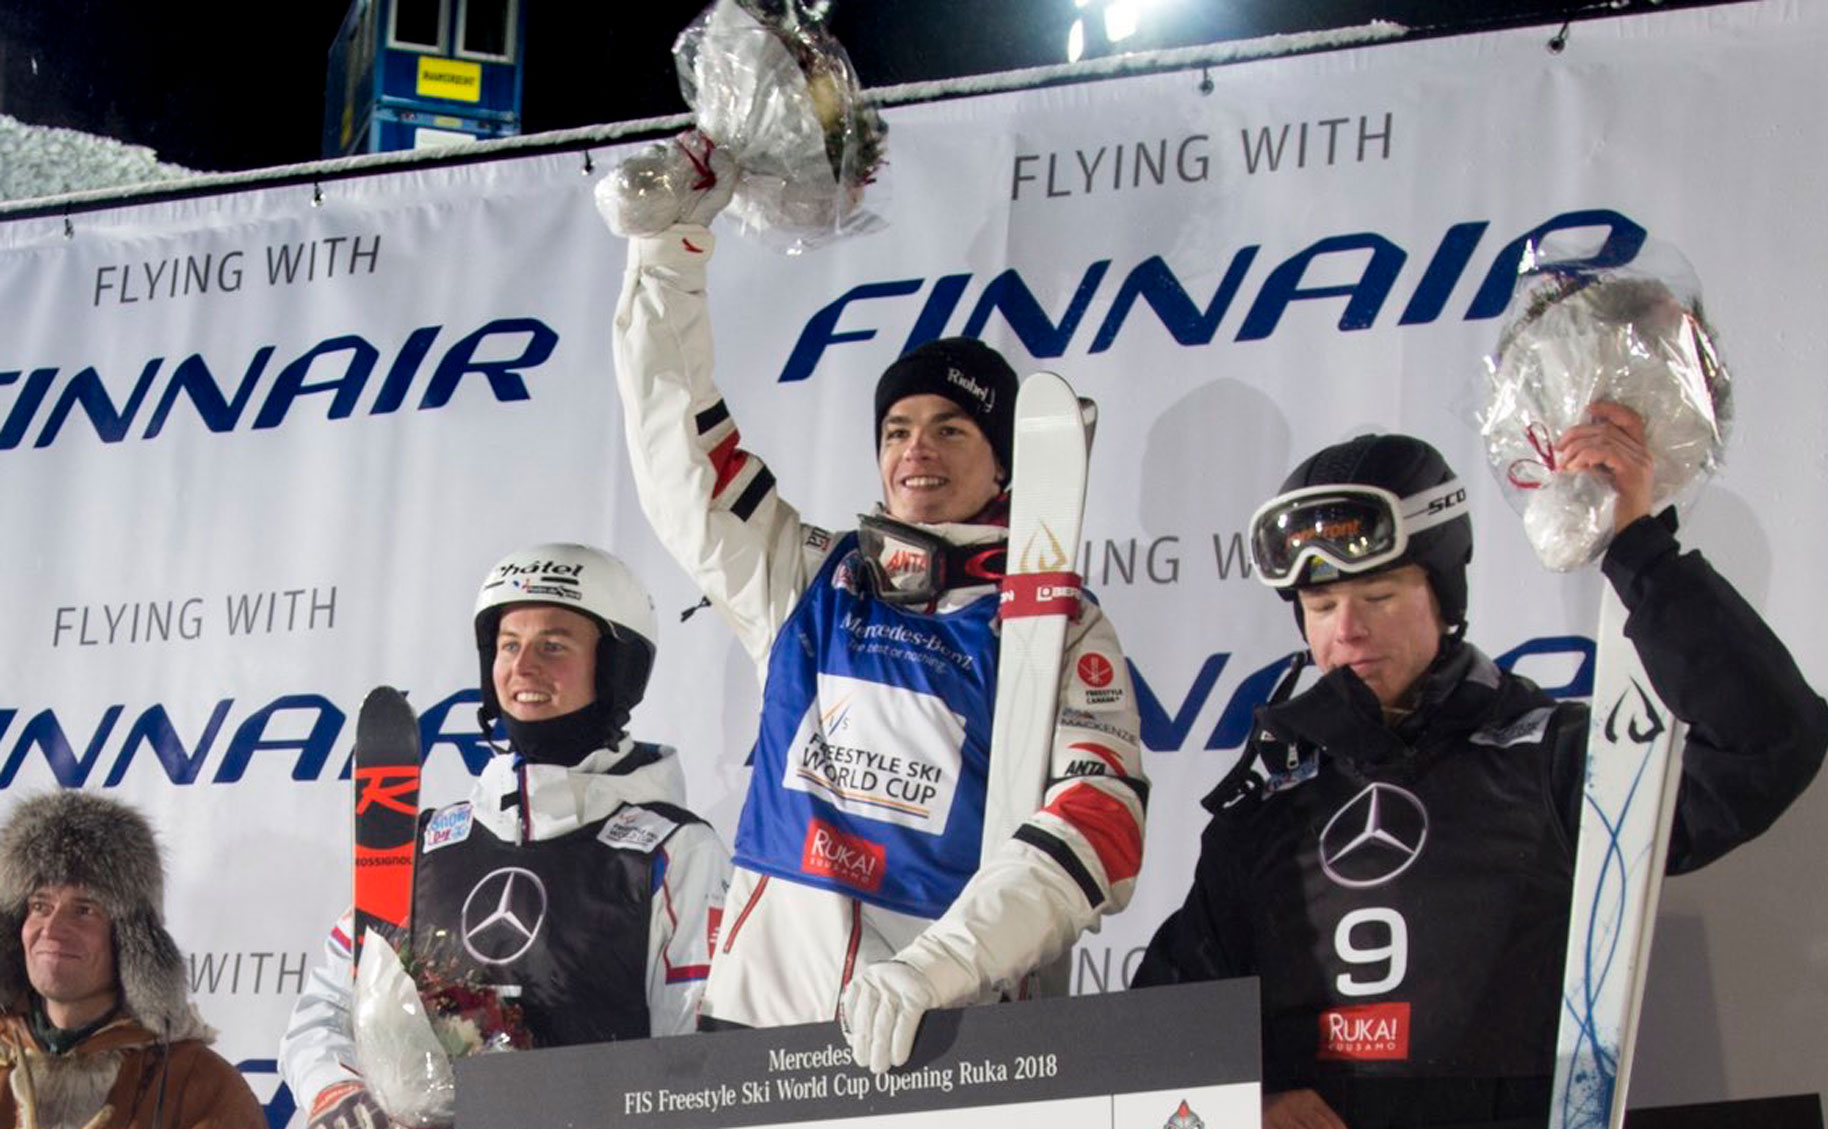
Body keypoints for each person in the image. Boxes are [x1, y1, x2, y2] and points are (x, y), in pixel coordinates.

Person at [598, 138, 1148, 1073]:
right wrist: (667, 255)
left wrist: (940, 969)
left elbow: (1101, 824)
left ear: (1007, 460)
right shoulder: (809, 575)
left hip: (944, 1033)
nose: (917, 450)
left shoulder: (1055, 623)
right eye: (897, 429)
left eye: (950, 429)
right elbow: (680, 459)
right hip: (758, 1031)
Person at [1133, 422, 1828, 1129]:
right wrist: (1242, 1109)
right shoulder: (1261, 819)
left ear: (1443, 595)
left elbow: (1769, 743)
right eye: (1320, 607)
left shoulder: (1550, 760)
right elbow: (1149, 1042)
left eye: (1377, 596)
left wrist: (1638, 547)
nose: (1345, 630)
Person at [279, 542, 730, 1128]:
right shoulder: (421, 848)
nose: (523, 667)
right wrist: (340, 1096)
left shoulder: (672, 853)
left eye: (553, 646)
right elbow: (327, 1009)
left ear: (617, 669)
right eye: (509, 646)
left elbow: (695, 1067)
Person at [0, 791, 265, 1128]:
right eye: (40, 906)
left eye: (84, 910)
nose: (52, 929)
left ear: (131, 938)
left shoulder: (200, 1085)